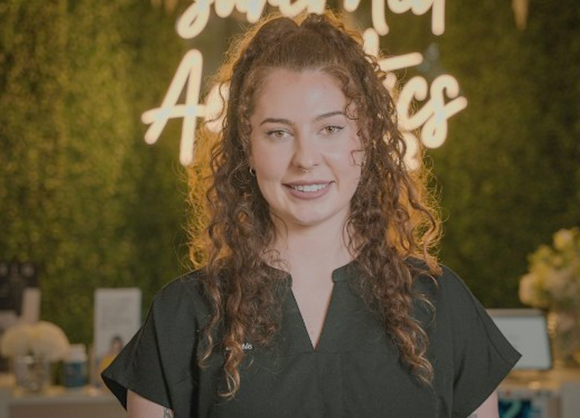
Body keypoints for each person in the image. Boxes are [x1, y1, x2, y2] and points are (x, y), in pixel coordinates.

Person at [102, 10, 520, 418]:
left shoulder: (440, 304)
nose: (305, 159)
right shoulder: (185, 312)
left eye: (331, 128)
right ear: (247, 148)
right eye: (278, 132)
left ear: (368, 136)